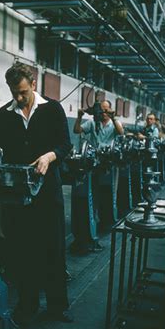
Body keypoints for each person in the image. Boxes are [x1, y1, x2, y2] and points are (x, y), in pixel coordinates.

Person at [0, 62, 73, 323]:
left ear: (34, 85)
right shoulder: (4, 114)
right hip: (18, 193)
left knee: (52, 247)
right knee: (22, 250)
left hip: (47, 191)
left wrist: (49, 157)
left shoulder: (52, 109)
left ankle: (57, 305)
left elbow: (65, 145)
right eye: (13, 92)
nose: (18, 97)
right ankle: (27, 304)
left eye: (23, 92)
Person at [70, 100, 124, 254]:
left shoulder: (114, 123)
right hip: (93, 163)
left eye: (106, 110)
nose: (104, 113)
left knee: (105, 194)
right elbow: (76, 130)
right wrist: (79, 117)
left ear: (110, 110)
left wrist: (114, 118)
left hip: (108, 163)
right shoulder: (93, 123)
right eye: (101, 111)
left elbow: (121, 133)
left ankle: (102, 220)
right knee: (92, 194)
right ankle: (91, 223)